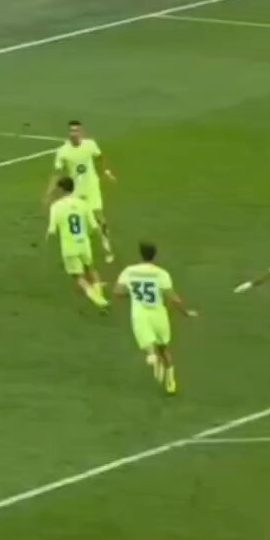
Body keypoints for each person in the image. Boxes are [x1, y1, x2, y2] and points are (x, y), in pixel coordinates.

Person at [114, 242, 198, 395]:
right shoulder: (161, 274)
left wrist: (132, 292)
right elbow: (173, 297)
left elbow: (118, 292)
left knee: (148, 344)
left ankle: (152, 357)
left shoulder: (129, 271)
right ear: (155, 255)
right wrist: (185, 312)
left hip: (141, 315)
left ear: (140, 254)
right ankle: (170, 381)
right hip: (159, 315)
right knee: (164, 349)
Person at [46, 120, 116, 263]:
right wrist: (49, 192)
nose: (74, 133)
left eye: (76, 131)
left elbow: (100, 158)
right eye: (71, 131)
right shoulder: (63, 151)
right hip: (75, 191)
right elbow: (57, 173)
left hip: (92, 188)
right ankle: (81, 250)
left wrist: (107, 172)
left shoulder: (90, 145)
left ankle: (107, 248)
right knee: (80, 221)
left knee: (100, 219)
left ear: (82, 132)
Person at [47, 177, 108, 309]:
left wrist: (47, 242)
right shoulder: (83, 204)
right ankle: (100, 296)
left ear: (61, 189)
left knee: (78, 276)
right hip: (84, 243)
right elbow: (94, 226)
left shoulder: (56, 206)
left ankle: (98, 300)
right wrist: (102, 242)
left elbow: (52, 231)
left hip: (69, 246)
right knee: (91, 269)